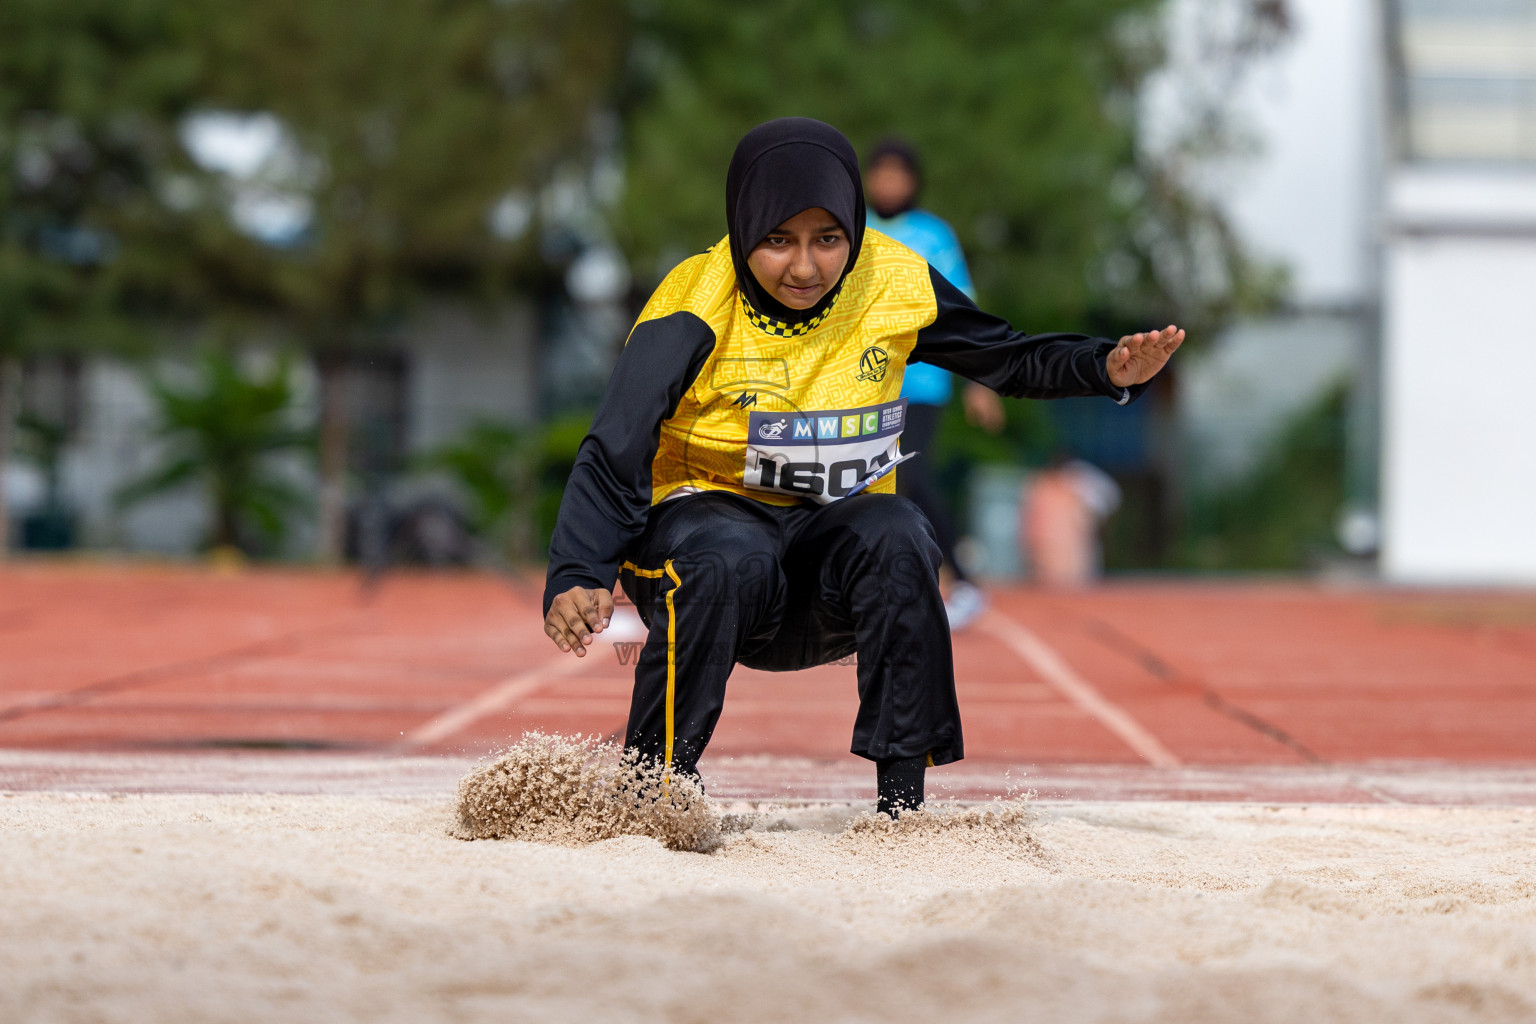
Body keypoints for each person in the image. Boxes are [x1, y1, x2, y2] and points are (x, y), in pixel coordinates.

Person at [542, 117, 1182, 815]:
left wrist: (1107, 367)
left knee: (902, 531)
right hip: (708, 552)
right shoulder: (693, 303)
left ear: (854, 225)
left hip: (824, 565)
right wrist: (579, 570)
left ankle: (902, 808)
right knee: (730, 552)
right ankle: (653, 788)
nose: (806, 268)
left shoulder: (894, 278)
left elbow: (1008, 356)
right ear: (743, 225)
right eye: (778, 241)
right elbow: (617, 442)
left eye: (828, 239)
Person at [864, 138, 1001, 630]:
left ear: (913, 182)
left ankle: (963, 580)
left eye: (898, 174)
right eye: (881, 173)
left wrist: (979, 381)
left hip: (921, 380)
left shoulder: (934, 235)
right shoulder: (852, 231)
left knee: (911, 476)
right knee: (864, 484)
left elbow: (964, 311)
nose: (889, 184)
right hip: (864, 383)